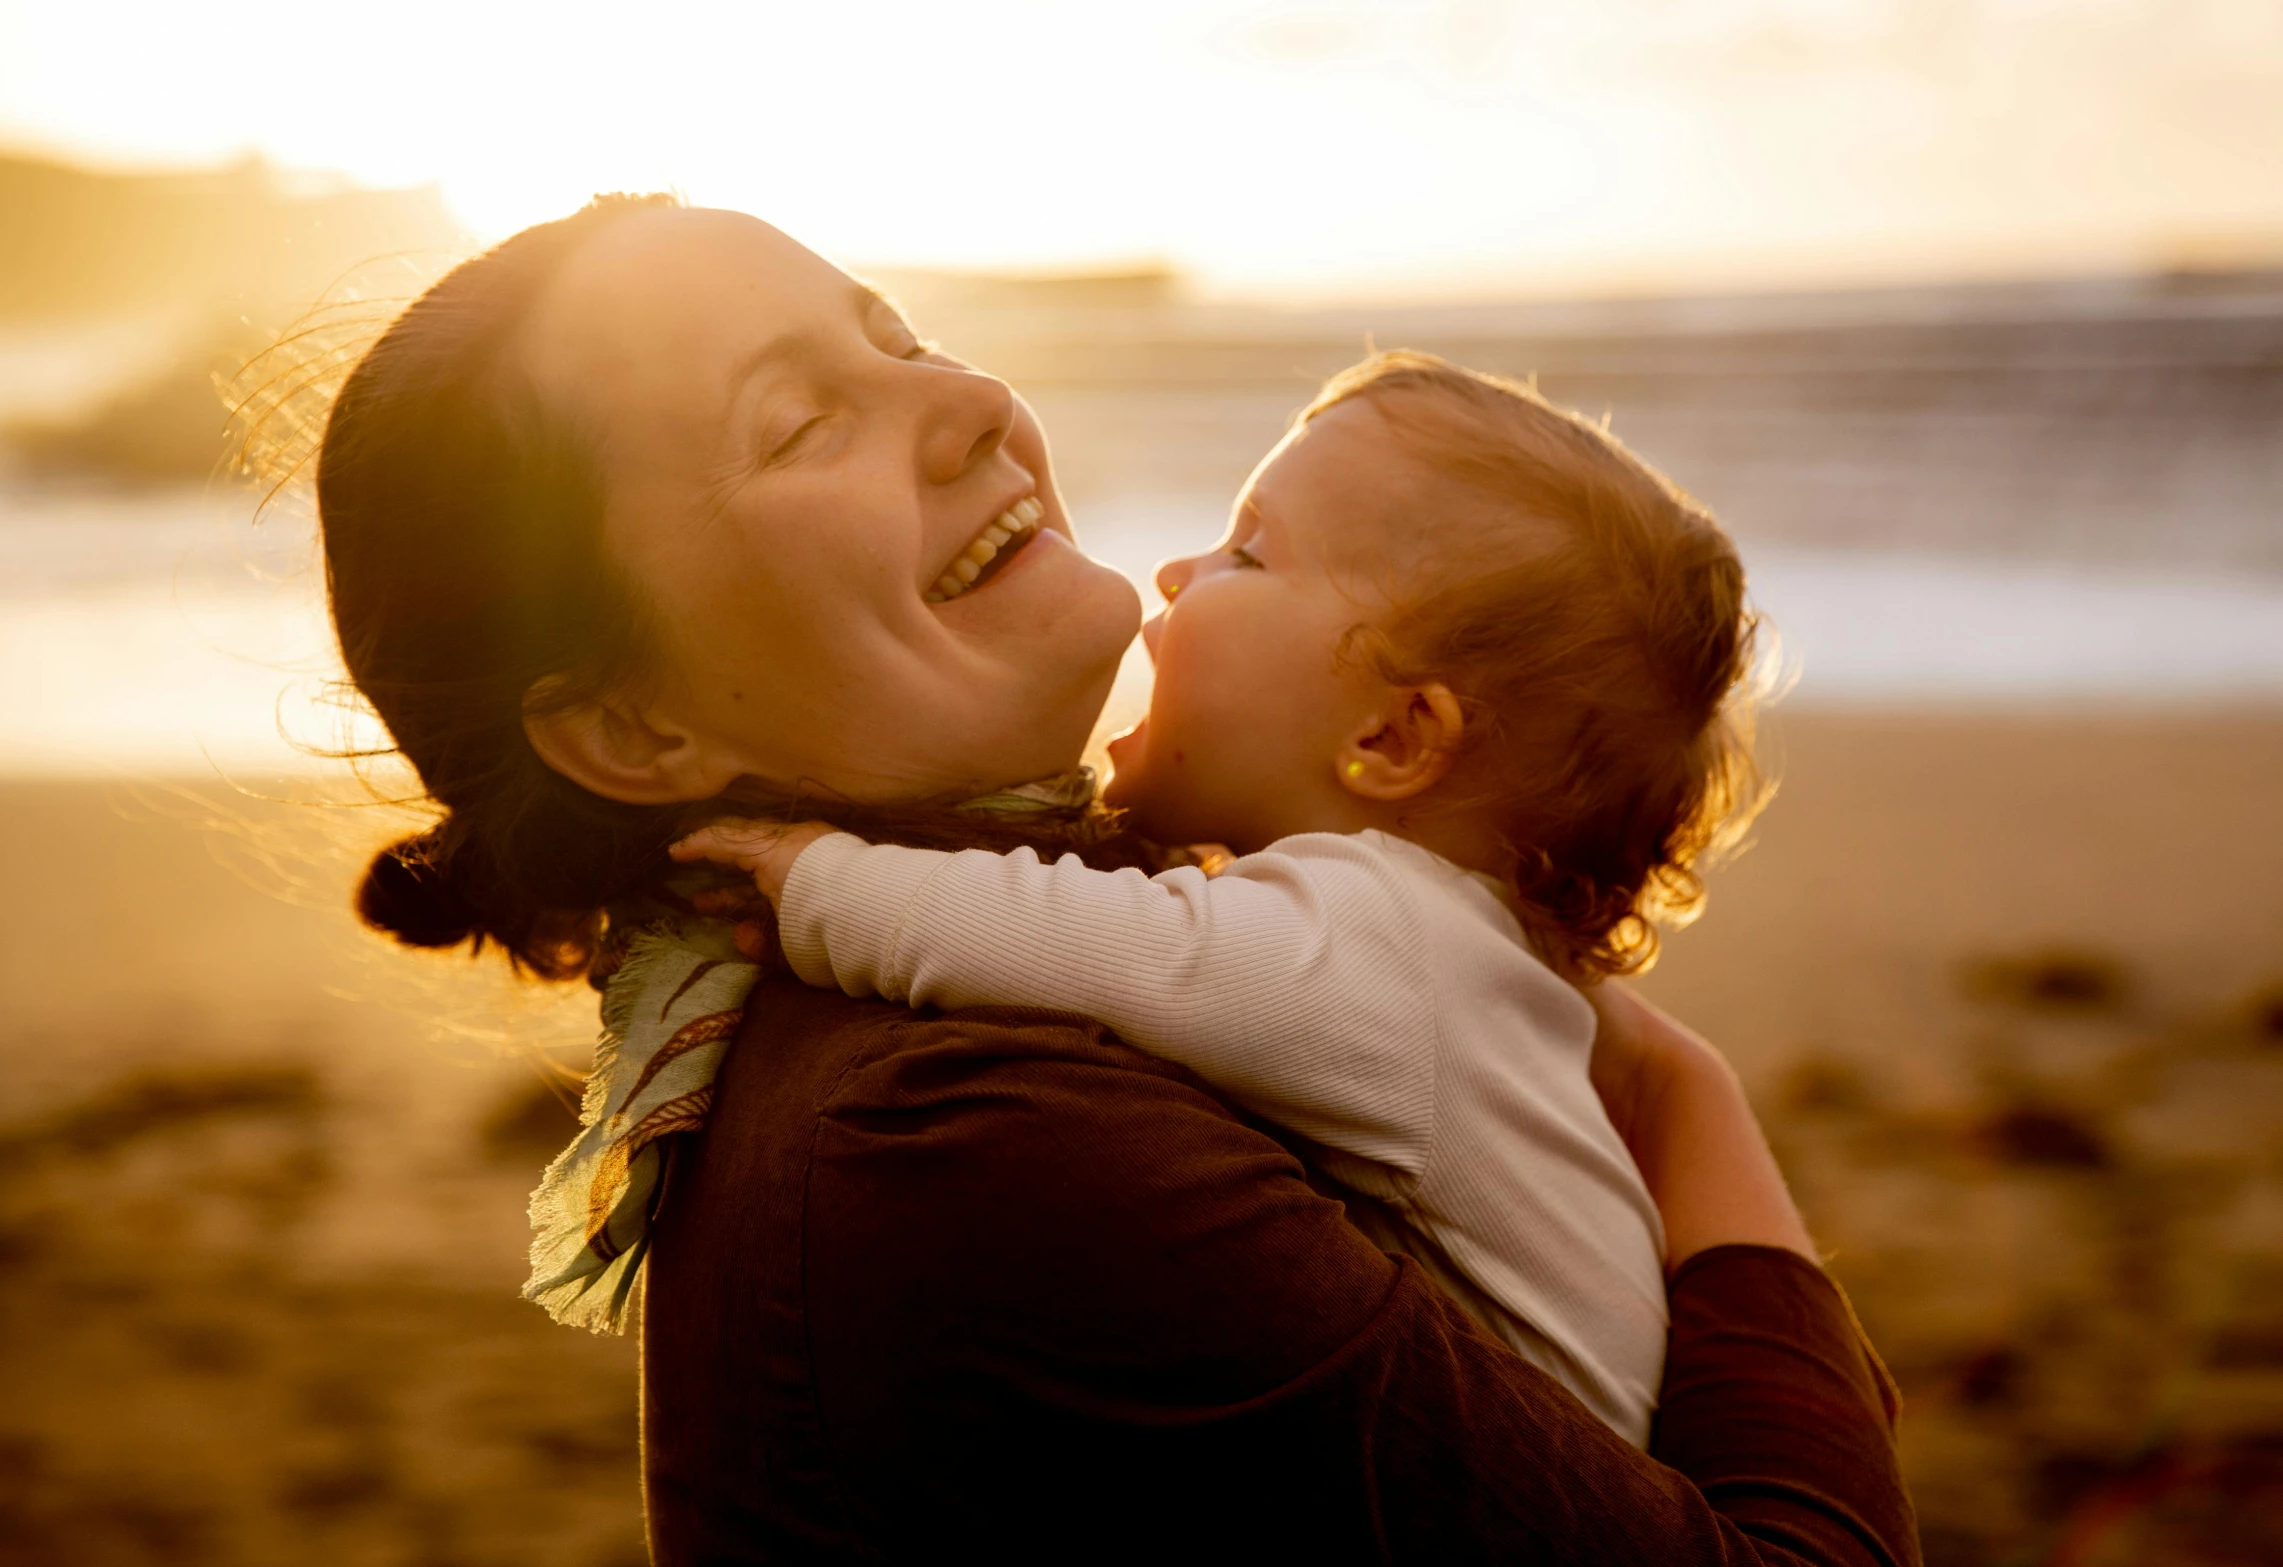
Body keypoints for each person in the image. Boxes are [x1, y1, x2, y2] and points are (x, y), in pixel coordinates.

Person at [315, 193, 1917, 1561]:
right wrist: (1683, 1103)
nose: (965, 398)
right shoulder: (967, 1133)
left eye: (896, 333)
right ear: (626, 722)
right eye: (800, 420)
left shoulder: (1032, 975)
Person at [668, 349, 1767, 1444]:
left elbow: (1108, 945)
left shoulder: (1384, 939)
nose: (1174, 575)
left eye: (1246, 551)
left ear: (1388, 736)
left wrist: (819, 881)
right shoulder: (1449, 960)